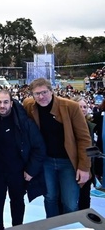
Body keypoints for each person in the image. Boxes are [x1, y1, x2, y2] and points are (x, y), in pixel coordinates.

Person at [23, 78, 91, 217]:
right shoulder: (29, 105)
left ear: (52, 91)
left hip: (68, 162)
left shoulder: (71, 107)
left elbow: (84, 139)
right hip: (46, 161)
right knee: (50, 198)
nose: (41, 97)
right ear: (32, 95)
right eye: (37, 94)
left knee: (70, 202)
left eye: (44, 92)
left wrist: (84, 167)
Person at [0, 90, 46, 229]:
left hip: (18, 172)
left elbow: (39, 147)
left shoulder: (24, 122)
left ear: (11, 102)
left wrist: (31, 170)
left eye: (5, 102)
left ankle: (17, 227)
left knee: (17, 203)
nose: (2, 105)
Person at [72, 96, 96, 210]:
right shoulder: (67, 127)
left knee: (85, 196)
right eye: (79, 107)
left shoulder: (91, 126)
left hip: (88, 166)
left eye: (84, 107)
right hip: (72, 166)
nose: (82, 109)